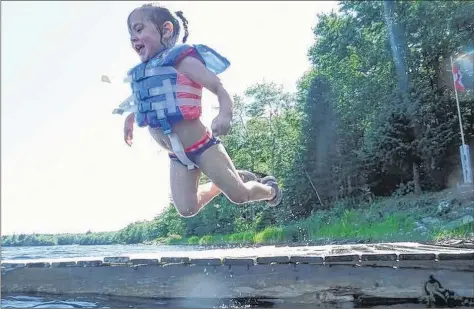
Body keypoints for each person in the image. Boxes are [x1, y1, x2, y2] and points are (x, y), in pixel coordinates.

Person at [113, 3, 282, 217]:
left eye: (139, 29)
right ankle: (222, 182)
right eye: (130, 33)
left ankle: (270, 190)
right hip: (176, 155)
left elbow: (218, 87)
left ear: (166, 30)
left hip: (202, 147)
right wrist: (130, 120)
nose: (133, 38)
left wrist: (225, 114)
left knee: (239, 195)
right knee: (186, 209)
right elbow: (149, 102)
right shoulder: (146, 73)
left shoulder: (182, 62)